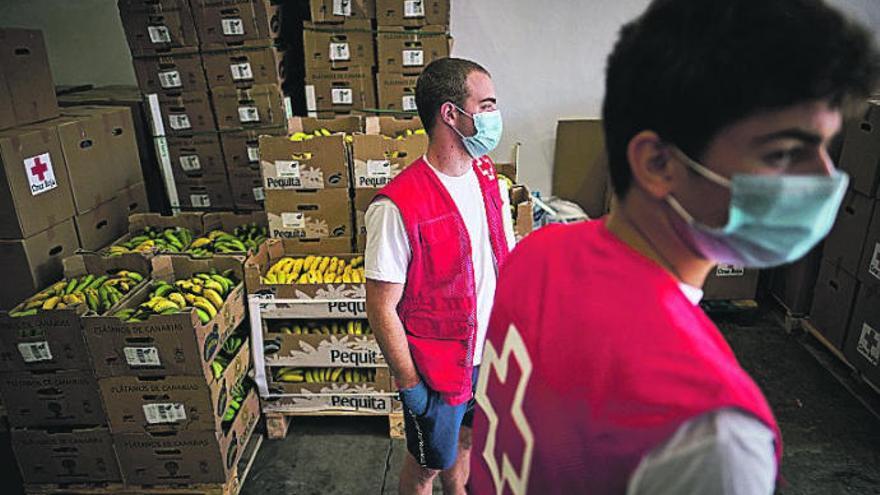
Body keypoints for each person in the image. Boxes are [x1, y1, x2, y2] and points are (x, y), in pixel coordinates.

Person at [469, 0, 880, 493]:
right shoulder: (710, 434)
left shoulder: (537, 253)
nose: (824, 179)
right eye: (784, 152)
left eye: (824, 146)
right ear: (659, 164)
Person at [365, 57, 517, 494]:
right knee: (426, 467)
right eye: (486, 105)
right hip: (437, 373)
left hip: (487, 358)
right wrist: (411, 385)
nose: (494, 116)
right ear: (451, 114)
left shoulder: (488, 177)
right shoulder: (398, 205)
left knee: (467, 444)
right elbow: (381, 308)